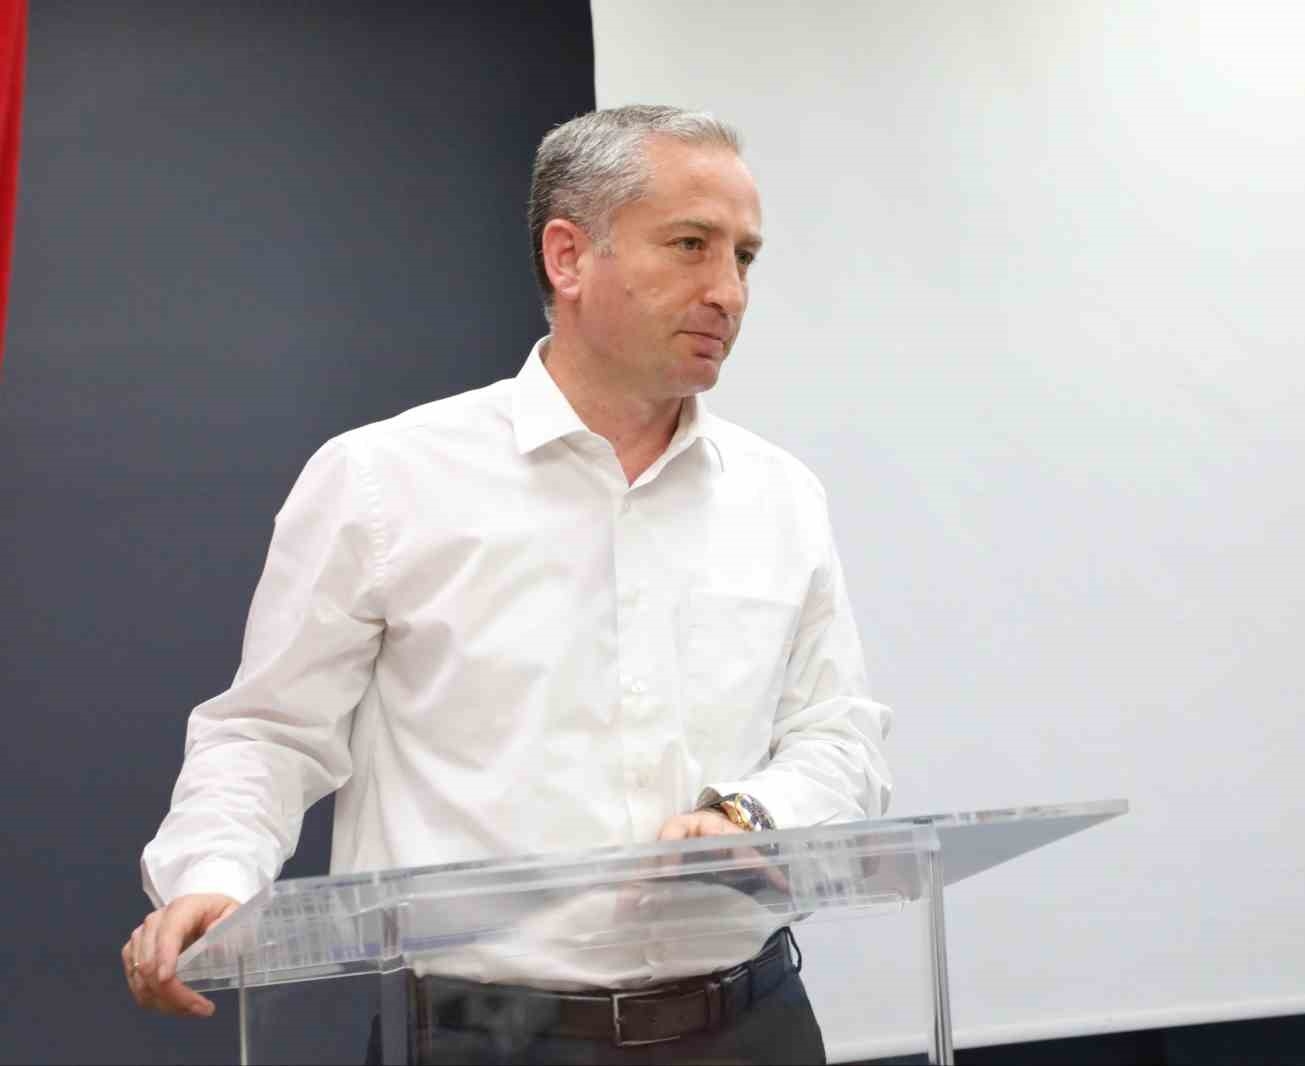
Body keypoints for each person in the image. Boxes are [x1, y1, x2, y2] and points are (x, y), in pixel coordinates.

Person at [120, 105, 892, 1063]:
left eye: (745, 257)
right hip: (490, 1040)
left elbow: (838, 735)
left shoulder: (780, 495)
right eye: (691, 245)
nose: (727, 292)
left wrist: (750, 817)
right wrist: (214, 877)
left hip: (755, 1027)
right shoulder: (384, 480)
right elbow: (269, 732)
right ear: (568, 257)